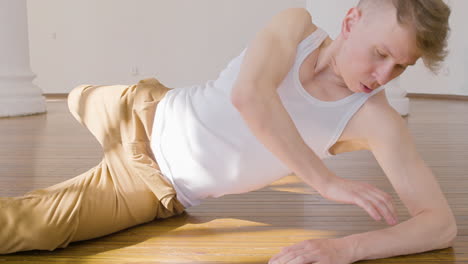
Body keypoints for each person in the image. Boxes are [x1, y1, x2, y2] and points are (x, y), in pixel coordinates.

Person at [0, 0, 456, 263]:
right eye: (380, 53)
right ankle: (82, 96)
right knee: (79, 95)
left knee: (25, 228)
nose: (384, 74)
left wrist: (347, 249)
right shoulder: (295, 24)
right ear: (352, 20)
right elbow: (251, 96)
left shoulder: (374, 119)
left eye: (401, 66)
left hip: (149, 183)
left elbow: (441, 224)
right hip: (144, 105)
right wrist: (325, 181)